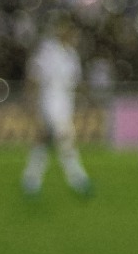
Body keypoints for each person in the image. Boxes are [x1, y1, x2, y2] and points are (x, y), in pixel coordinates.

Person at [21, 15, 92, 197]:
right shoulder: (48, 51)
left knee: (43, 140)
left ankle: (31, 179)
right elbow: (34, 76)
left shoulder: (71, 56)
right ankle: (78, 179)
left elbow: (76, 82)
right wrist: (31, 100)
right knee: (65, 137)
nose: (73, 37)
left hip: (66, 101)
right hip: (49, 99)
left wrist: (84, 97)